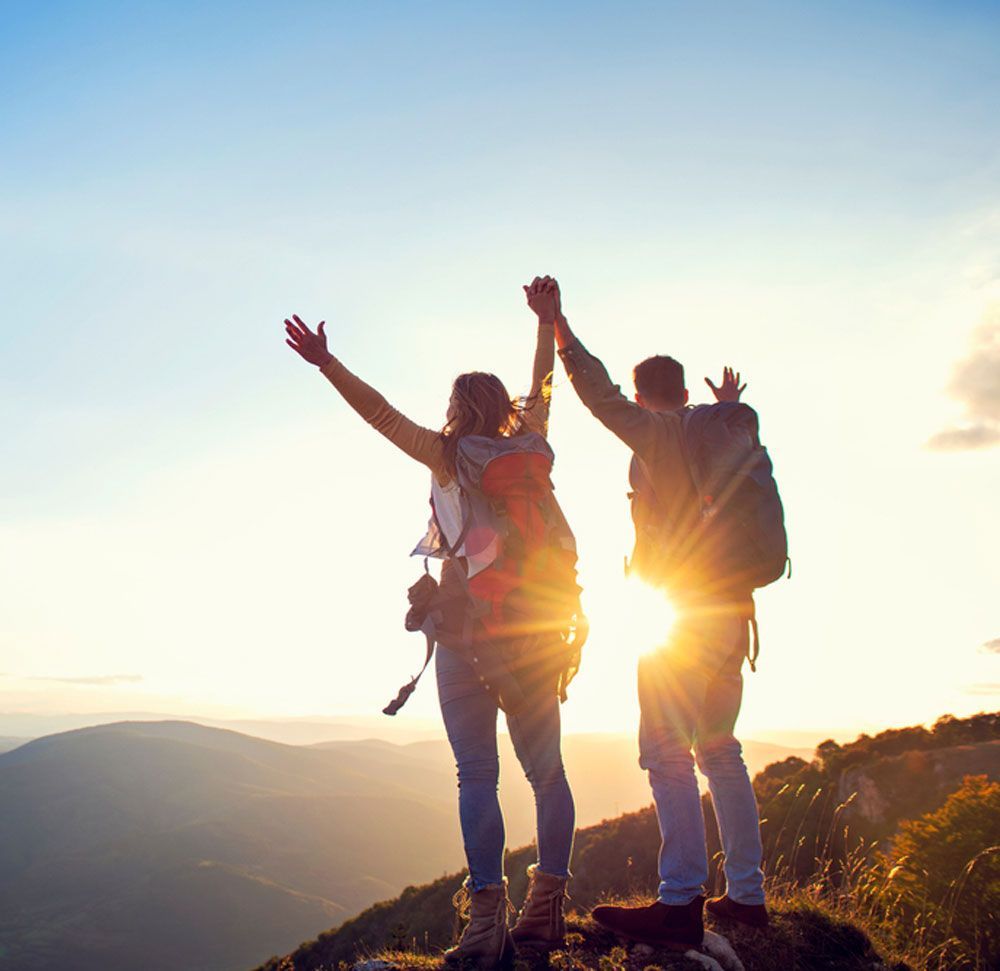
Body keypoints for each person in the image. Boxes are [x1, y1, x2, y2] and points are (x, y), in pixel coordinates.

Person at [283, 278, 579, 970]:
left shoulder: (446, 454)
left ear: (454, 409)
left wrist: (328, 363)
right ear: (504, 408)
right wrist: (546, 321)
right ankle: (549, 906)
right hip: (537, 629)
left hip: (467, 632)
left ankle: (486, 921)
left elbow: (381, 414)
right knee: (548, 772)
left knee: (476, 771)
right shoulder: (531, 443)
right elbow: (544, 386)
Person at [546, 279, 770, 951]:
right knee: (721, 750)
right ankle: (748, 895)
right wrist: (729, 403)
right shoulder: (720, 428)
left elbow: (598, 396)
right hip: (733, 612)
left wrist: (559, 328)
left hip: (678, 616)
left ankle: (680, 902)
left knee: (665, 751)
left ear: (647, 397)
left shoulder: (657, 430)